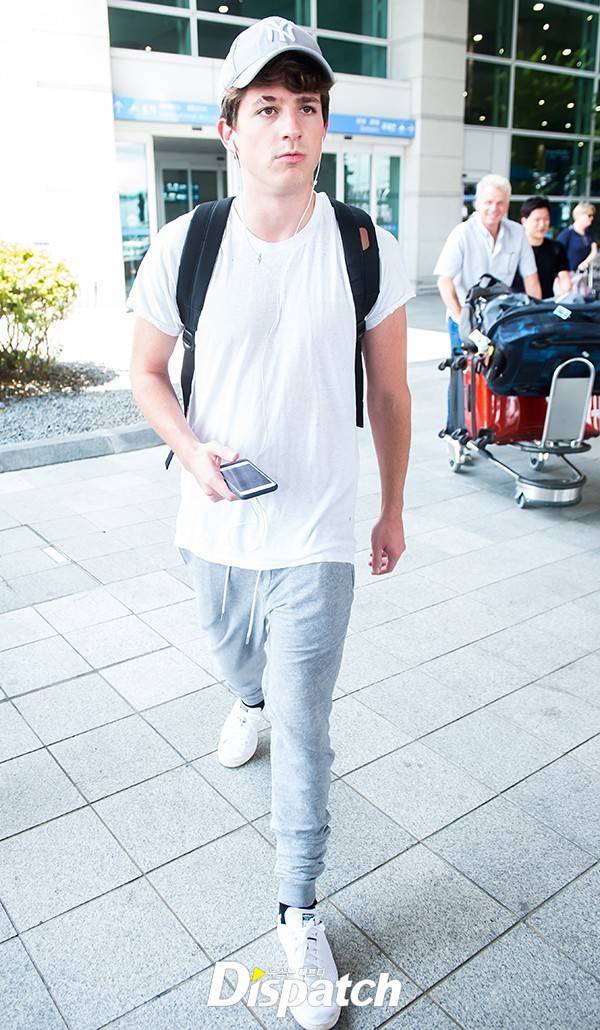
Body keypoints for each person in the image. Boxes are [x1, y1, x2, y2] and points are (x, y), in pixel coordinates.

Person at [128, 16, 412, 1029]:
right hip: (214, 525)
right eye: (266, 107)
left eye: (307, 106)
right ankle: (240, 696)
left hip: (321, 531)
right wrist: (192, 448)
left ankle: (299, 909)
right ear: (230, 128)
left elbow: (390, 392)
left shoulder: (366, 244)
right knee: (232, 658)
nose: (289, 125)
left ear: (324, 126)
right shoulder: (187, 244)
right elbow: (146, 373)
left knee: (304, 721)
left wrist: (392, 504)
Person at [434, 174, 541, 431]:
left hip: (500, 318)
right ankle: (457, 430)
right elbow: (445, 282)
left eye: (500, 203)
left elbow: (532, 279)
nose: (494, 208)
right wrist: (463, 322)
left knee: (501, 372)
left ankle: (491, 427)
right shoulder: (462, 233)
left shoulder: (517, 233)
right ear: (478, 203)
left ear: (507, 204)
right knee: (464, 375)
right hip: (464, 317)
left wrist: (536, 317)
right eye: (489, 202)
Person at [512, 197, 571, 298]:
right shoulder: (512, 247)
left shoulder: (556, 248)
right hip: (515, 304)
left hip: (545, 304)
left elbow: (564, 278)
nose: (542, 224)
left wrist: (566, 295)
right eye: (537, 220)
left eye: (546, 219)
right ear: (524, 221)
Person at [558, 203, 598, 290]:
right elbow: (557, 254)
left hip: (583, 276)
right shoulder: (567, 234)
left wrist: (585, 263)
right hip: (568, 276)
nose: (592, 218)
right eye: (589, 215)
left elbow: (594, 251)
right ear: (580, 216)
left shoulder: (590, 234)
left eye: (592, 216)